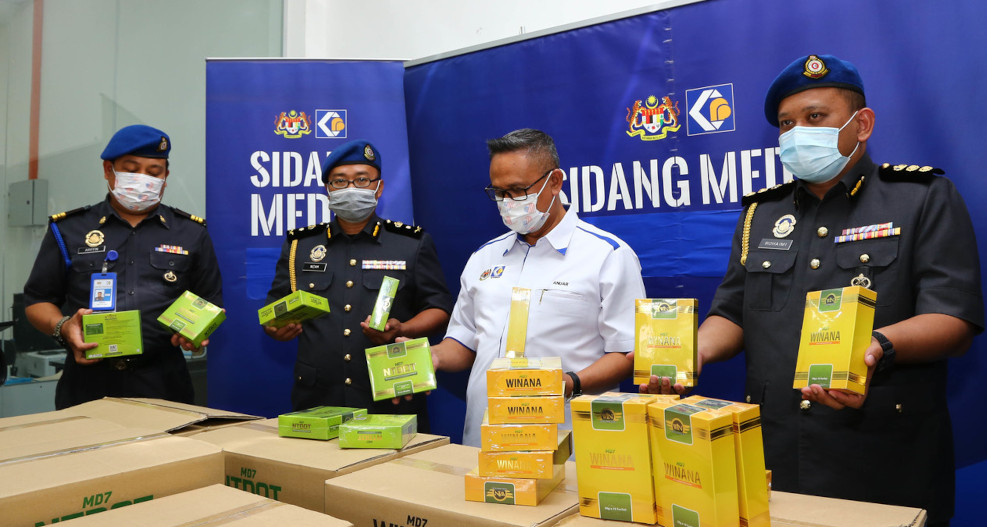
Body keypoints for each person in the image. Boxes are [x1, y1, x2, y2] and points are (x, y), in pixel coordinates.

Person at [642, 54, 984, 527]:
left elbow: (954, 318)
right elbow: (733, 312)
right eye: (786, 123)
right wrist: (692, 351)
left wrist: (877, 347)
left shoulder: (921, 197)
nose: (797, 132)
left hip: (883, 460)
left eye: (815, 117)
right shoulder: (762, 213)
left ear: (860, 124)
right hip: (771, 460)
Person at [430, 128, 646, 446]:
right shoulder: (483, 257)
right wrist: (428, 357)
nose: (508, 202)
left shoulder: (608, 255)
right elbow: (463, 342)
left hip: (567, 443)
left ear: (555, 181)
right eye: (499, 193)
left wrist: (570, 383)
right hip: (484, 441)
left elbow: (627, 352)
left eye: (518, 190)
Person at [24, 124, 224, 409]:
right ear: (109, 170)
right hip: (87, 381)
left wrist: (196, 331)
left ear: (165, 177)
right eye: (131, 169)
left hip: (164, 382)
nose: (143, 179)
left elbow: (210, 300)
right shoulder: (69, 229)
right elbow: (38, 301)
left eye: (154, 172)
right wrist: (63, 327)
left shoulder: (191, 233)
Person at [264, 139, 452, 430]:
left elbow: (440, 310)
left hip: (391, 396)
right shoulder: (300, 245)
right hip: (318, 399)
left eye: (362, 179)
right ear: (328, 189)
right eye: (340, 181)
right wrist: (276, 328)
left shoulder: (410, 243)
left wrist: (402, 328)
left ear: (379, 187)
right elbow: (274, 310)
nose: (351, 188)